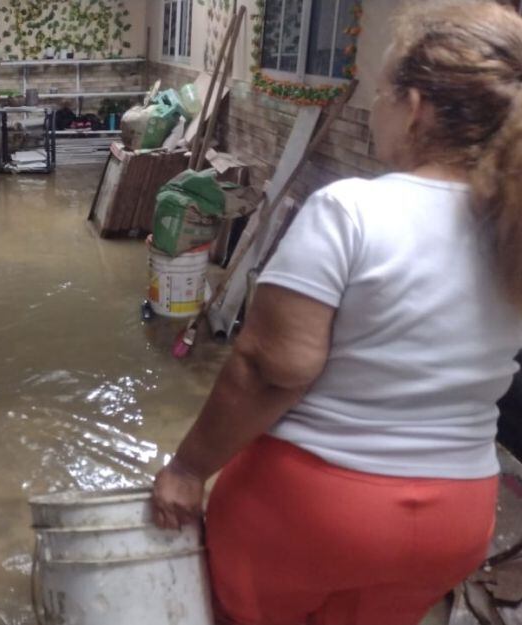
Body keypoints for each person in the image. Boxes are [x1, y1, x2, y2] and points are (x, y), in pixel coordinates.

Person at [151, 2, 522, 624]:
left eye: (379, 94)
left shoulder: (352, 211)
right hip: (455, 517)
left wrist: (188, 468)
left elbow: (273, 369)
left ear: (415, 106)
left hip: (315, 510)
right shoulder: (510, 230)